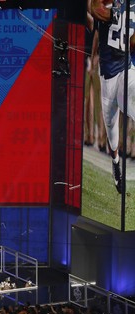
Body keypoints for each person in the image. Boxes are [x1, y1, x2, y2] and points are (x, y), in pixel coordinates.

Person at [87, 0, 135, 194]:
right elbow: (95, 9)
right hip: (107, 74)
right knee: (111, 129)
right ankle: (115, 161)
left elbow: (132, 42)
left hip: (126, 68)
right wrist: (116, 15)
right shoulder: (108, 3)